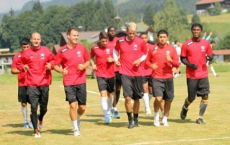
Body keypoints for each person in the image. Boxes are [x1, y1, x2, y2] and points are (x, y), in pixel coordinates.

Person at [54, 28, 90, 137]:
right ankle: (75, 130)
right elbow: (55, 65)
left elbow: (88, 60)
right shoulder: (62, 50)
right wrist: (61, 70)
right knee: (73, 105)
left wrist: (84, 66)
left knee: (82, 107)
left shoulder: (82, 48)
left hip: (81, 81)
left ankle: (78, 117)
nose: (76, 37)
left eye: (77, 35)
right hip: (69, 81)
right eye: (74, 35)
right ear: (68, 36)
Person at [18, 32, 55, 138]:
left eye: (38, 39)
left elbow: (53, 60)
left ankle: (41, 118)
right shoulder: (26, 53)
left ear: (40, 40)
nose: (36, 41)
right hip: (32, 84)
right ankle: (36, 130)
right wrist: (22, 67)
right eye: (34, 39)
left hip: (44, 83)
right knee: (33, 107)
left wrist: (50, 65)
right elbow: (19, 63)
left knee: (44, 108)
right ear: (31, 40)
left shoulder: (46, 50)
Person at [114, 22, 147, 128]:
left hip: (137, 73)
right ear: (126, 32)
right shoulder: (120, 41)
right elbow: (115, 51)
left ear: (136, 32)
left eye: (133, 33)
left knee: (136, 98)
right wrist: (116, 60)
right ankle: (130, 120)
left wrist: (139, 60)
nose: (131, 35)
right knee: (127, 98)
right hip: (125, 73)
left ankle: (136, 119)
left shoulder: (141, 42)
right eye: (129, 33)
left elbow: (145, 53)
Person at [180, 23, 214, 124]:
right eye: (194, 30)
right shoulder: (186, 44)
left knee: (205, 95)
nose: (196, 31)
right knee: (191, 97)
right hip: (192, 75)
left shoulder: (206, 43)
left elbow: (211, 55)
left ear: (201, 31)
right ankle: (185, 107)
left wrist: (210, 57)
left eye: (198, 30)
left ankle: (199, 117)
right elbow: (182, 58)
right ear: (191, 31)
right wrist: (190, 65)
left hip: (203, 74)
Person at [146, 29, 179, 126]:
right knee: (159, 99)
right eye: (160, 37)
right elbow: (147, 61)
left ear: (167, 38)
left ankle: (165, 118)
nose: (162, 39)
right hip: (156, 77)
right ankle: (156, 115)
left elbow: (177, 64)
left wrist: (171, 61)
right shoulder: (152, 48)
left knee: (168, 100)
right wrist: (151, 65)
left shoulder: (172, 49)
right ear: (157, 38)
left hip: (168, 78)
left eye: (164, 37)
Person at [90, 31, 115, 123]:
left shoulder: (112, 47)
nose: (104, 43)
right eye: (103, 41)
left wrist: (112, 59)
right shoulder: (94, 47)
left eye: (106, 41)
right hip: (100, 74)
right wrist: (93, 65)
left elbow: (119, 56)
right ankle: (106, 115)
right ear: (99, 40)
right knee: (103, 95)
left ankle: (108, 110)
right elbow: (91, 57)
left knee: (111, 95)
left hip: (111, 74)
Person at [11, 38, 33, 129]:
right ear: (21, 47)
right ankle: (25, 121)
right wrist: (21, 70)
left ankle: (32, 121)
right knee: (24, 103)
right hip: (22, 83)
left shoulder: (34, 55)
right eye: (24, 47)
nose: (26, 49)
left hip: (33, 83)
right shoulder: (17, 56)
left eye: (28, 47)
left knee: (33, 103)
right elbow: (12, 70)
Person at [107, 26, 121, 119]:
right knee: (113, 90)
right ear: (108, 32)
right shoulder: (105, 41)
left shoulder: (118, 40)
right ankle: (114, 108)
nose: (112, 32)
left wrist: (116, 59)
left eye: (114, 30)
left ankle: (113, 106)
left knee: (118, 90)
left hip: (119, 68)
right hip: (110, 69)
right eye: (110, 30)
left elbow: (122, 52)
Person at [139, 32, 153, 115]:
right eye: (142, 38)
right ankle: (148, 108)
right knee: (145, 89)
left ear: (147, 38)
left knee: (151, 91)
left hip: (151, 71)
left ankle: (147, 103)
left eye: (145, 38)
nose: (144, 39)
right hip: (142, 71)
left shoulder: (152, 47)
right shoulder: (138, 47)